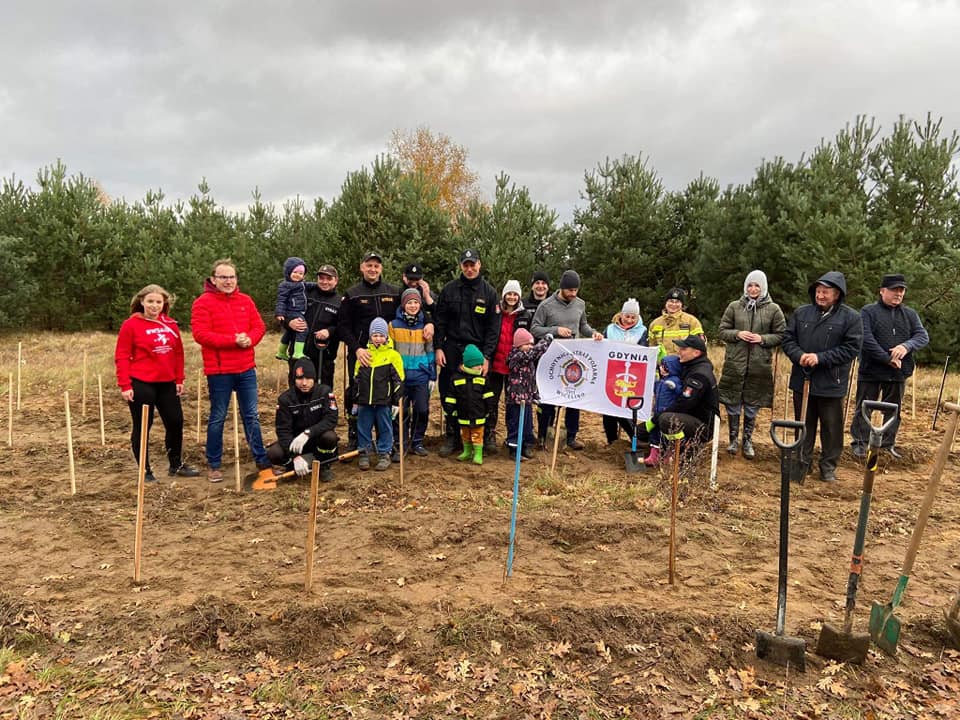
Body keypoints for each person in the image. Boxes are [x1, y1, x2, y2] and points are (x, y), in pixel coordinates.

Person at [191, 258, 272, 483]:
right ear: (213, 279)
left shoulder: (245, 300)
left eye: (232, 277)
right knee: (218, 416)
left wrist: (250, 339)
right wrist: (232, 340)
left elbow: (259, 326)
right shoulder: (202, 303)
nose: (228, 281)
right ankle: (214, 464)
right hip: (219, 371)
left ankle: (261, 460)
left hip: (246, 368)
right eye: (223, 277)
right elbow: (200, 334)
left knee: (251, 416)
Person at [781, 271, 863, 482]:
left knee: (831, 428)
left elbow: (851, 348)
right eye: (818, 291)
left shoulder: (851, 318)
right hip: (803, 379)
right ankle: (802, 463)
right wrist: (799, 356)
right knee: (803, 424)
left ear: (837, 294)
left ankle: (828, 466)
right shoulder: (802, 313)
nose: (820, 295)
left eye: (825, 292)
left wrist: (820, 358)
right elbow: (788, 339)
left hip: (831, 382)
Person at [114, 284, 199, 482]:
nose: (154, 305)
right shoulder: (131, 325)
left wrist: (179, 379)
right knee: (143, 425)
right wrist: (125, 385)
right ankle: (145, 470)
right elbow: (122, 355)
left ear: (164, 303)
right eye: (150, 301)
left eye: (158, 302)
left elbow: (178, 354)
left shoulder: (170, 324)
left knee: (175, 421)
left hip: (167, 382)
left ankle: (175, 465)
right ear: (142, 302)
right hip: (141, 383)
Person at [849, 273, 929, 458]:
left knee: (893, 410)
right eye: (894, 290)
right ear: (882, 291)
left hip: (898, 371)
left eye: (901, 290)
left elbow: (922, 336)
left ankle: (887, 444)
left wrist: (906, 346)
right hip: (871, 370)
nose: (898, 294)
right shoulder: (868, 312)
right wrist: (887, 358)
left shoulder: (910, 314)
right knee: (864, 408)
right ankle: (860, 443)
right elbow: (866, 339)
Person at [433, 249, 501, 457]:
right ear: (461, 266)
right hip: (452, 350)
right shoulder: (449, 290)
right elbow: (440, 321)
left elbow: (493, 329)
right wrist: (438, 347)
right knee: (450, 393)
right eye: (466, 265)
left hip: (478, 352)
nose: (469, 269)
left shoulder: (489, 293)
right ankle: (453, 435)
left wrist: (487, 356)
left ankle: (486, 435)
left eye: (473, 264)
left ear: (479, 264)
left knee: (482, 394)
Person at [530, 269, 604, 450]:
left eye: (576, 290)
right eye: (570, 290)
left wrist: (593, 333)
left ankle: (571, 436)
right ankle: (543, 435)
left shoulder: (580, 304)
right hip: (551, 361)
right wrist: (556, 330)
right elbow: (535, 329)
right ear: (562, 288)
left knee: (573, 398)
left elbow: (583, 325)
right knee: (548, 399)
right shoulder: (546, 306)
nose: (573, 293)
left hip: (573, 361)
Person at [717, 270, 786, 459]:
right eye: (750, 285)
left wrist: (762, 339)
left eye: (757, 286)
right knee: (732, 402)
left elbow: (781, 335)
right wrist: (737, 334)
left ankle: (747, 440)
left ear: (763, 288)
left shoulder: (774, 309)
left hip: (759, 365)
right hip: (735, 363)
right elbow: (722, 331)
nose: (753, 289)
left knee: (752, 403)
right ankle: (733, 440)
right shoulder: (734, 306)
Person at [337, 251, 399, 452]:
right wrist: (357, 349)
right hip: (361, 355)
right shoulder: (352, 294)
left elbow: (409, 312)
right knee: (357, 393)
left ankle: (385, 441)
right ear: (362, 267)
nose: (373, 269)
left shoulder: (393, 292)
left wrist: (429, 322)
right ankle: (356, 436)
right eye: (369, 265)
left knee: (385, 396)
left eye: (376, 266)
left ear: (381, 268)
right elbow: (343, 326)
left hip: (386, 356)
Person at [267, 357, 339, 483]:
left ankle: (323, 464)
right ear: (294, 379)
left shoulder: (324, 392)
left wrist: (308, 433)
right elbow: (283, 431)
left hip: (317, 439)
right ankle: (292, 466)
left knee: (330, 437)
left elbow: (331, 419)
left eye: (308, 378)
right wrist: (295, 457)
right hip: (295, 443)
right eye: (300, 379)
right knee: (274, 453)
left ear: (314, 378)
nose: (304, 383)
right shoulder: (285, 399)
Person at [648, 336, 719, 462]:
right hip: (690, 417)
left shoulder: (698, 374)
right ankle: (661, 446)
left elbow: (684, 403)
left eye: (684, 349)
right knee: (646, 429)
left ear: (696, 353)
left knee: (666, 419)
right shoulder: (690, 366)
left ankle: (683, 450)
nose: (679, 351)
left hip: (702, 426)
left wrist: (658, 416)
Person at [354, 317, 404, 471]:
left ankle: (384, 453)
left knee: (385, 428)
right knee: (363, 427)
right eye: (375, 335)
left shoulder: (393, 355)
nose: (378, 339)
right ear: (370, 337)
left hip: (384, 401)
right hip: (365, 401)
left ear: (386, 337)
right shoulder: (364, 354)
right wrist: (355, 400)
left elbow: (399, 381)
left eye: (381, 335)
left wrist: (396, 402)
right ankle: (364, 453)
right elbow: (356, 379)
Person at [389, 288, 436, 456]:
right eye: (409, 302)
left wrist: (432, 374)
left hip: (420, 375)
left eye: (416, 302)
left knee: (421, 410)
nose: (413, 306)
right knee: (401, 412)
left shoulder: (426, 326)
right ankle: (400, 443)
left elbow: (430, 350)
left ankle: (417, 441)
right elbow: (390, 351)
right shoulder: (393, 325)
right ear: (403, 305)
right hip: (400, 377)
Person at [488, 280, 532, 451]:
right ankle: (489, 435)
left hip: (515, 369)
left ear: (519, 296)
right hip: (495, 366)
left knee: (513, 406)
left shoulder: (525, 315)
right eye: (509, 294)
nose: (512, 297)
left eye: (515, 294)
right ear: (504, 295)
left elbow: (530, 339)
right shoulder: (495, 312)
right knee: (490, 402)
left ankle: (513, 439)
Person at [602, 297, 649, 444]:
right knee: (608, 407)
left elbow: (643, 352)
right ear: (621, 315)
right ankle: (612, 441)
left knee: (624, 406)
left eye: (633, 317)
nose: (629, 320)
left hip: (631, 375)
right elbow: (602, 347)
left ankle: (634, 436)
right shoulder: (610, 329)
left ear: (638, 317)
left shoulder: (642, 331)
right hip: (610, 373)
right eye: (627, 316)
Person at [442, 344, 495, 465]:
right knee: (465, 434)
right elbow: (451, 396)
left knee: (477, 434)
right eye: (478, 364)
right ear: (470, 364)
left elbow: (488, 395)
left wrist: (490, 409)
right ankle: (467, 451)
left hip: (478, 414)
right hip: (463, 414)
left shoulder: (483, 379)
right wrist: (450, 409)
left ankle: (478, 453)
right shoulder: (456, 379)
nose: (481, 367)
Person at [505, 328, 552, 459]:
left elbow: (530, 380)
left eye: (531, 344)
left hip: (527, 399)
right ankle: (514, 449)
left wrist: (534, 395)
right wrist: (547, 339)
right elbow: (535, 352)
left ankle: (525, 446)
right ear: (518, 345)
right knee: (516, 424)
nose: (530, 347)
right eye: (527, 344)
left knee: (527, 424)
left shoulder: (528, 360)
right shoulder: (517, 356)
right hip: (516, 399)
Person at [643, 355, 683, 466]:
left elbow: (680, 393)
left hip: (667, 413)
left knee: (666, 435)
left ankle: (668, 456)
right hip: (657, 412)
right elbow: (655, 390)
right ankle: (654, 456)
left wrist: (675, 387)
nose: (661, 368)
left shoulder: (675, 380)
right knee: (654, 433)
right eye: (661, 366)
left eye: (664, 367)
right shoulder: (662, 381)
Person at [274, 257, 315, 361]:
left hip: (297, 311)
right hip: (292, 311)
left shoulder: (302, 284)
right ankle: (298, 353)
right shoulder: (285, 285)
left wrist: (319, 285)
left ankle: (281, 352)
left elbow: (310, 285)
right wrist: (279, 313)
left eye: (301, 273)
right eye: (295, 272)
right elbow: (281, 300)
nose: (298, 275)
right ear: (288, 272)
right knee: (303, 329)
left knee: (290, 331)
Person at [647, 288, 705, 356]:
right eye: (671, 301)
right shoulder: (655, 324)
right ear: (665, 303)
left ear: (682, 304)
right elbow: (651, 347)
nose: (674, 304)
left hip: (684, 361)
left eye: (677, 302)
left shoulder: (692, 321)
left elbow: (699, 347)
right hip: (661, 362)